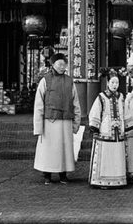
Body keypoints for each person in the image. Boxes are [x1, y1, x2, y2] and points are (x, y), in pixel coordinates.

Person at [33, 54, 81, 185]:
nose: (61, 66)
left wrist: (76, 123)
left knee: (64, 149)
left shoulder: (69, 81)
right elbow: (38, 104)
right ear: (52, 64)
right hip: (49, 121)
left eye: (63, 64)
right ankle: (47, 175)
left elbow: (75, 103)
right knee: (48, 149)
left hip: (65, 121)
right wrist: (38, 126)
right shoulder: (45, 80)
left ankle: (63, 175)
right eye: (59, 64)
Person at [88, 71, 133, 188]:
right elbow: (95, 112)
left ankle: (118, 179)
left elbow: (125, 112)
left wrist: (127, 125)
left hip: (118, 132)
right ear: (108, 83)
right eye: (112, 82)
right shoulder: (101, 97)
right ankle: (101, 180)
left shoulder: (121, 97)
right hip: (105, 130)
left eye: (117, 82)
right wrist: (95, 126)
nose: (115, 85)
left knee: (117, 156)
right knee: (106, 156)